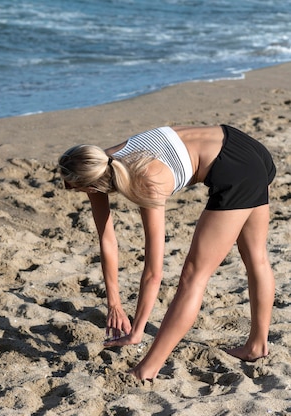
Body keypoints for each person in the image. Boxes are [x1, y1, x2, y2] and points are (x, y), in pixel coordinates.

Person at [58, 125, 276, 380]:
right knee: (256, 257)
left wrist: (137, 330)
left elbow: (153, 271)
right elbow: (107, 241)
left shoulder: (146, 180)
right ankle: (257, 345)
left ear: (90, 186)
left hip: (235, 171)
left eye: (71, 186)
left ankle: (147, 368)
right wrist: (114, 303)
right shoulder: (99, 161)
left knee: (193, 277)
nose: (66, 188)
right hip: (245, 146)